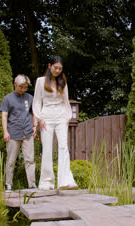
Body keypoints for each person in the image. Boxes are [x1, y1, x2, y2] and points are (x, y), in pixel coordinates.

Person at [33, 56, 78, 190]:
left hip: (61, 117)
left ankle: (65, 181)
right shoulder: (40, 81)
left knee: (64, 147)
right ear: (49, 66)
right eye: (55, 67)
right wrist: (39, 118)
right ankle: (47, 182)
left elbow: (65, 101)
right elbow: (36, 101)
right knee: (47, 149)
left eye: (60, 68)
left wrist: (67, 117)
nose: (57, 70)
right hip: (46, 117)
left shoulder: (62, 82)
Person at [0, 74, 37, 191]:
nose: (23, 89)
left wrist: (35, 126)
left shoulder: (30, 98)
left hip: (28, 132)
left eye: (25, 87)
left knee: (30, 159)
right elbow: (4, 115)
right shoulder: (7, 98)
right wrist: (5, 132)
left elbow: (34, 113)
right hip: (13, 133)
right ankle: (8, 184)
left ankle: (32, 184)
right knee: (11, 160)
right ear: (15, 85)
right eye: (21, 87)